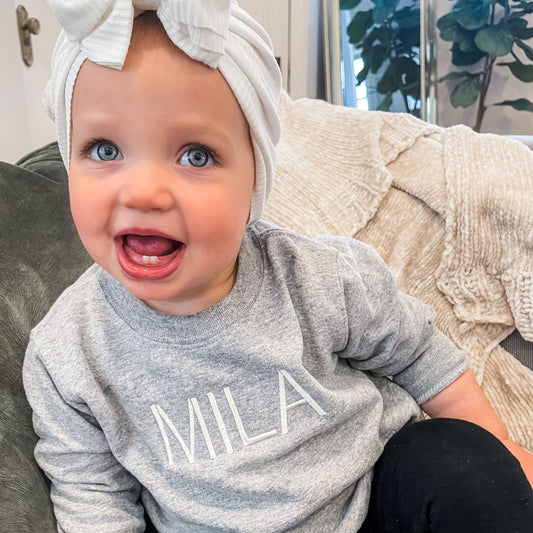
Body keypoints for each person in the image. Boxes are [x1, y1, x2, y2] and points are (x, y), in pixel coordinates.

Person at [23, 1, 533, 532]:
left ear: (254, 183)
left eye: (196, 155)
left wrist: (507, 453)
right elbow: (93, 500)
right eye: (104, 150)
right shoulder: (68, 354)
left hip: (372, 501)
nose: (144, 192)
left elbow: (421, 355)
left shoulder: (317, 278)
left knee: (458, 457)